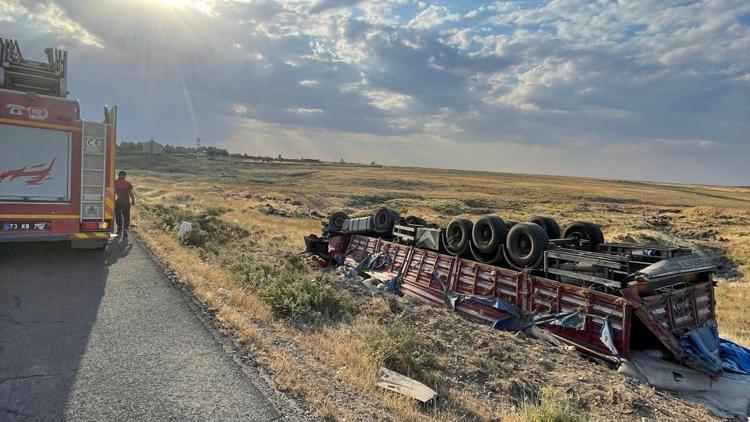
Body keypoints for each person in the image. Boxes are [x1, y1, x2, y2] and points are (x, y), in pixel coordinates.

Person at [114, 170, 135, 237]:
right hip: (126, 203)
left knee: (118, 215)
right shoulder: (128, 183)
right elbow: (131, 193)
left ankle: (119, 229)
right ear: (125, 176)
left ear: (118, 175)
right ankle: (125, 228)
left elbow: (112, 192)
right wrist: (133, 200)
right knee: (126, 216)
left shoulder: (115, 182)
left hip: (117, 202)